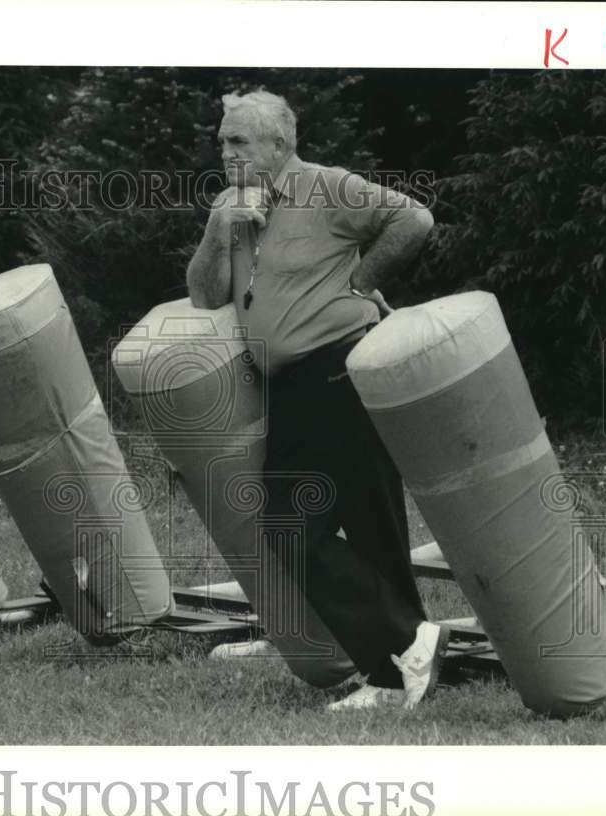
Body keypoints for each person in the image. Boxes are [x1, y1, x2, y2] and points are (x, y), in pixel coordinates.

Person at [186, 89, 445, 711]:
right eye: (221, 142)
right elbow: (204, 294)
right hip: (294, 386)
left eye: (238, 141)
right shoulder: (231, 206)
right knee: (354, 526)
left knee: (302, 522)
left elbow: (414, 220)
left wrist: (359, 282)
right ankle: (401, 666)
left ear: (279, 144)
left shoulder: (328, 187)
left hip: (338, 368)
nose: (225, 152)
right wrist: (219, 229)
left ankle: (402, 648)